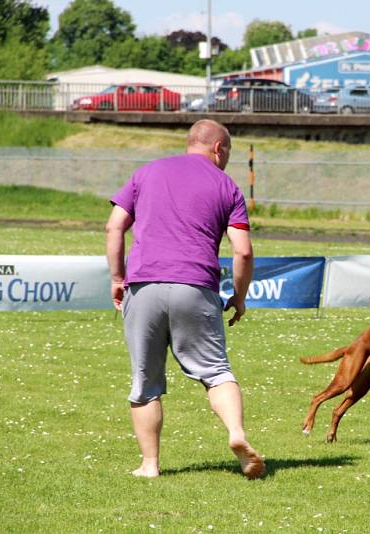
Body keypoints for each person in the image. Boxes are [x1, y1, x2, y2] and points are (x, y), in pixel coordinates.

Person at [105, 119, 265, 480]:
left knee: (145, 382)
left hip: (143, 284)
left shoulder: (146, 172)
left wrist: (118, 278)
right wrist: (239, 298)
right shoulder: (227, 186)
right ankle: (236, 434)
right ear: (219, 149)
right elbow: (242, 253)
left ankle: (150, 465)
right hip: (196, 286)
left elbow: (114, 226)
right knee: (216, 372)